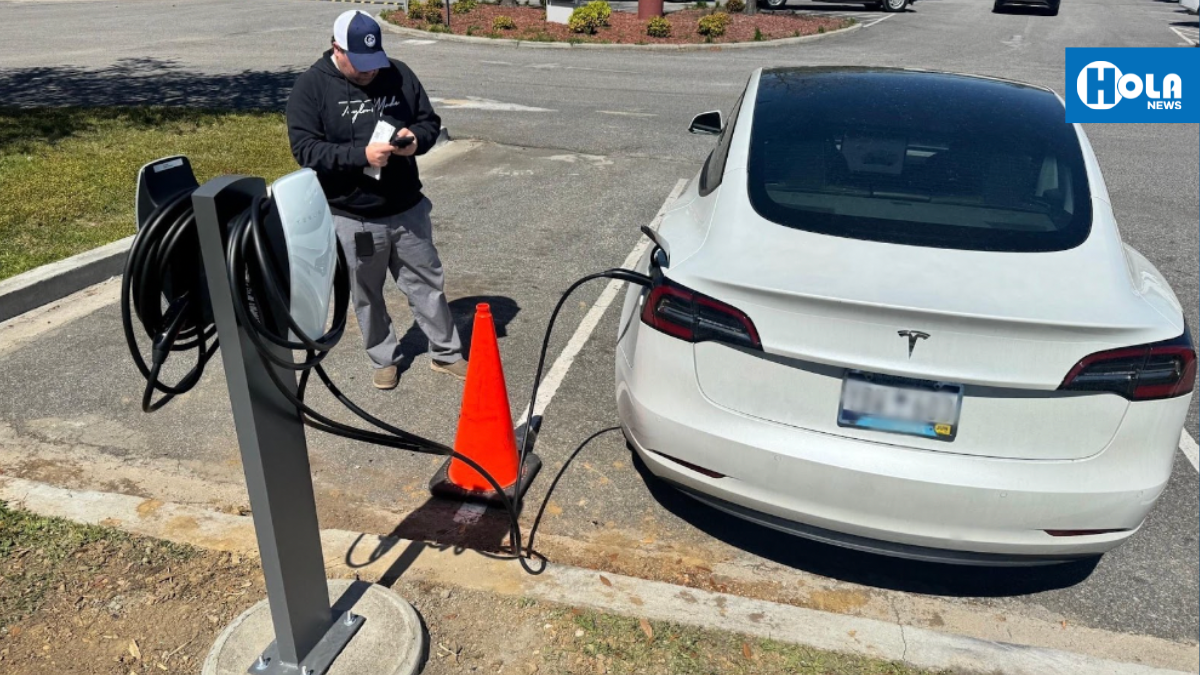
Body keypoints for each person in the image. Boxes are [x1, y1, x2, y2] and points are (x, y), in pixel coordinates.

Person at [286, 10, 466, 390]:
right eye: (360, 64)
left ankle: (446, 353)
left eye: (374, 62)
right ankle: (384, 358)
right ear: (337, 49)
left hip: (406, 208)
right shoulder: (311, 87)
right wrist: (360, 157)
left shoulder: (397, 73)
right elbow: (305, 150)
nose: (370, 72)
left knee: (426, 281)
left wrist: (416, 141)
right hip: (353, 215)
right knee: (366, 293)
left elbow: (428, 122)